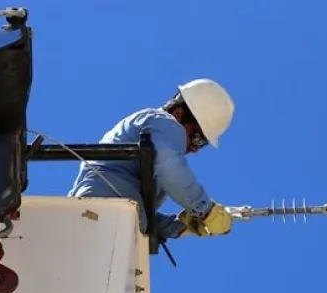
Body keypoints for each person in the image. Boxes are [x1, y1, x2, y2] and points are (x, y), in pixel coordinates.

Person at [68, 78, 236, 240]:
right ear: (178, 114)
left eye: (202, 144)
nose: (195, 148)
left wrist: (181, 226)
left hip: (99, 214)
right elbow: (170, 167)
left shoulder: (156, 144)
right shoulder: (166, 124)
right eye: (197, 138)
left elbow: (139, 208)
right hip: (99, 213)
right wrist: (206, 210)